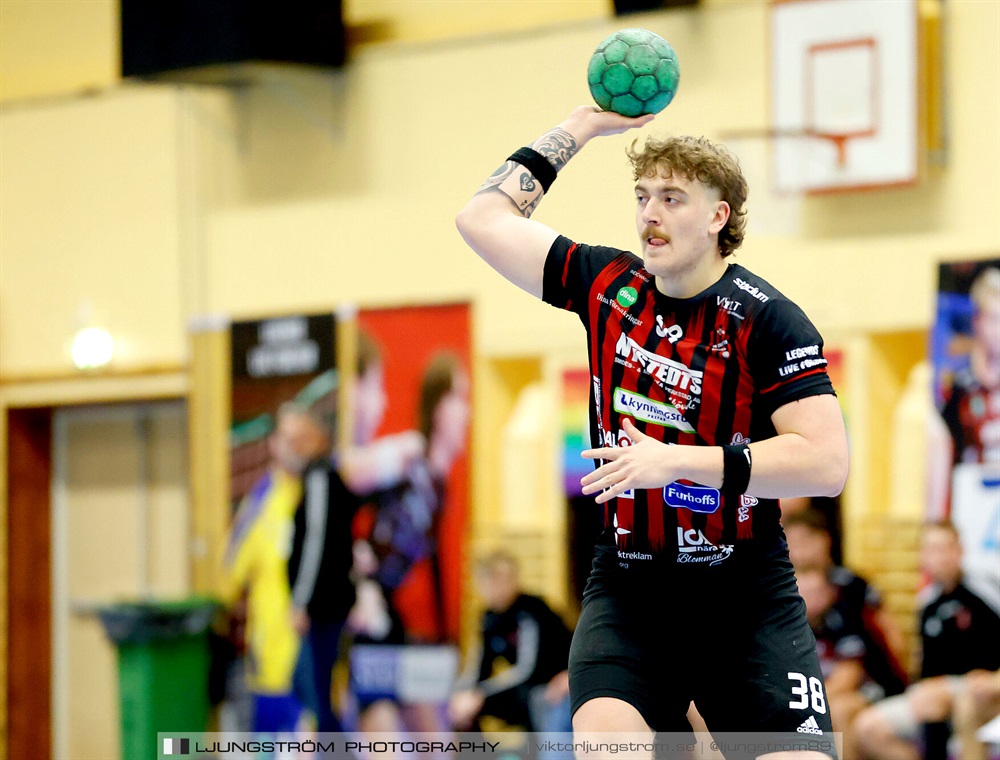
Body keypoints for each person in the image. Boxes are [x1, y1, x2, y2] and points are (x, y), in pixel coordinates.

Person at [456, 106, 849, 759]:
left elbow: (827, 463)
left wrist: (681, 462)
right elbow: (480, 219)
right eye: (642, 196)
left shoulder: (769, 320)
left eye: (671, 198)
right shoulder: (607, 286)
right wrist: (582, 126)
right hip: (631, 589)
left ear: (718, 216)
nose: (649, 215)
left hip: (743, 594)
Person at [288, 331, 425, 735]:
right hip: (335, 605)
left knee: (329, 702)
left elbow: (317, 540)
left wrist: (302, 600)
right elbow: (316, 540)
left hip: (343, 607)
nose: (382, 402)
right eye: (376, 388)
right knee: (317, 699)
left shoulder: (340, 470)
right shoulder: (330, 471)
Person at [349, 351, 471, 735]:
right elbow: (344, 493)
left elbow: (433, 568)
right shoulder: (410, 455)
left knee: (435, 735)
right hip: (363, 611)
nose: (467, 412)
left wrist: (447, 638)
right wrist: (352, 561)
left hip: (390, 619)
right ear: (438, 406)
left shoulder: (440, 485)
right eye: (459, 398)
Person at [224, 402, 331, 733]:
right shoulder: (260, 503)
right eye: (289, 439)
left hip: (321, 663)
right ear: (273, 444)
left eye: (303, 439)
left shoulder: (324, 493)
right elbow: (228, 578)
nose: (296, 448)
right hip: (272, 667)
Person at [853, 520, 1000, 760]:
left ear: (960, 550)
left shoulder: (987, 588)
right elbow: (925, 663)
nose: (940, 557)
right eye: (932, 549)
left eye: (946, 548)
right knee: (867, 728)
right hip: (935, 688)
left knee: (938, 700)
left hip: (982, 686)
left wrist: (994, 680)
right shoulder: (927, 600)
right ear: (923, 556)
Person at [783, 508, 909, 703]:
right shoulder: (777, 593)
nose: (799, 549)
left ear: (825, 539)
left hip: (862, 682)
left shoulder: (852, 589)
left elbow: (891, 637)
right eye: (791, 541)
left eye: (805, 539)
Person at [448, 550, 574, 736]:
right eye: (490, 580)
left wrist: (481, 694)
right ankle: (476, 751)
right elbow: (479, 667)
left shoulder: (531, 611)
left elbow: (527, 670)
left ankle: (536, 749)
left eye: (503, 579)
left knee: (532, 698)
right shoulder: (488, 618)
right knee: (463, 706)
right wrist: (463, 693)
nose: (496, 587)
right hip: (526, 687)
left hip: (553, 680)